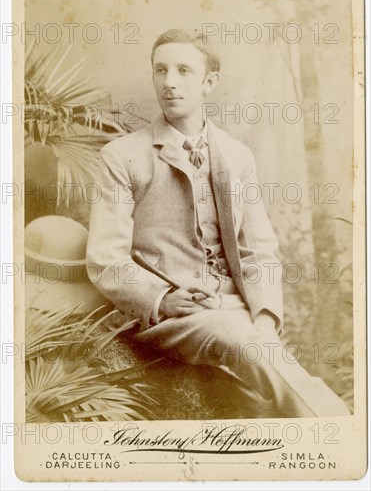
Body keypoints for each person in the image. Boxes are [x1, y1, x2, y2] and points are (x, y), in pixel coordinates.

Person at [86, 28, 350, 417]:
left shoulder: (235, 156)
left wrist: (263, 317)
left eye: (183, 71)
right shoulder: (122, 156)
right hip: (170, 314)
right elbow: (107, 260)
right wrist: (162, 298)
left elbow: (258, 251)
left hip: (234, 306)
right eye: (160, 70)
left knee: (260, 373)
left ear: (210, 82)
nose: (169, 82)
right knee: (248, 346)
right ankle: (339, 429)